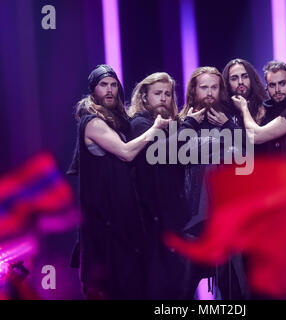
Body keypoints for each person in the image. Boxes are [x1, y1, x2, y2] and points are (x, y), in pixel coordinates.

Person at [67, 64, 169, 299]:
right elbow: (125, 152)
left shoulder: (114, 121)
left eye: (113, 85)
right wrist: (154, 128)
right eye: (104, 85)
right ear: (93, 90)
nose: (110, 90)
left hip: (119, 223)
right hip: (103, 227)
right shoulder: (92, 122)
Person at [128, 72, 204, 299]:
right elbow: (161, 151)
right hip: (152, 221)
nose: (163, 98)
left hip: (175, 217)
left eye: (168, 94)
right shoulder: (140, 123)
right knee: (162, 288)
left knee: (181, 286)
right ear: (145, 97)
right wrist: (190, 123)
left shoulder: (172, 126)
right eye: (157, 93)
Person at [180, 66, 249, 300]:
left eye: (214, 87)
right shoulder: (182, 122)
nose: (209, 93)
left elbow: (247, 154)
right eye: (204, 88)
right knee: (181, 291)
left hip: (226, 221)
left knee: (234, 292)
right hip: (192, 222)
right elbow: (175, 153)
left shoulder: (233, 121)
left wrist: (229, 126)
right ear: (194, 91)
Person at [222, 58, 268, 126]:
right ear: (227, 83)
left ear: (252, 79)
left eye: (245, 77)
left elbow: (255, 136)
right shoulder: (222, 111)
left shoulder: (265, 108)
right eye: (234, 78)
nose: (240, 82)